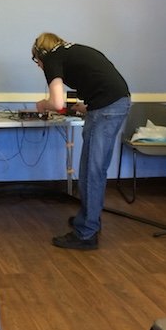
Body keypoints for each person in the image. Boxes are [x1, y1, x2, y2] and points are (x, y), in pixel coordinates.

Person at [31, 33, 130, 250]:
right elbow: (100, 80)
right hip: (113, 103)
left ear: (39, 54)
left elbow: (57, 103)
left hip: (106, 109)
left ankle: (86, 234)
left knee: (90, 172)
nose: (39, 66)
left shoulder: (51, 58)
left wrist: (42, 105)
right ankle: (88, 220)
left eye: (36, 61)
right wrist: (87, 106)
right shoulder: (72, 51)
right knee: (95, 170)